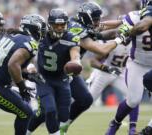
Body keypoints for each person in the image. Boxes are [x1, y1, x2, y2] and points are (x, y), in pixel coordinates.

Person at [27, 2, 126, 135]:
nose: (98, 22)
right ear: (87, 18)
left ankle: (63, 126)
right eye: (95, 19)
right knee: (46, 110)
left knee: (85, 100)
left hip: (68, 71)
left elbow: (103, 26)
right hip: (57, 70)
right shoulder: (75, 30)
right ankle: (30, 130)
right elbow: (101, 49)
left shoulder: (80, 24)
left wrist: (124, 21)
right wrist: (120, 38)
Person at [0, 13, 46, 135]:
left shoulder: (12, 36)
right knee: (26, 113)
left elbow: (5, 64)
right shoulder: (30, 42)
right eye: (41, 28)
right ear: (35, 28)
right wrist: (22, 87)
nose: (43, 32)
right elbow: (12, 65)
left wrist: (27, 75)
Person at [105, 0, 152, 135]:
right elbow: (118, 32)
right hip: (137, 64)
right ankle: (115, 122)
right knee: (133, 100)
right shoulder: (134, 17)